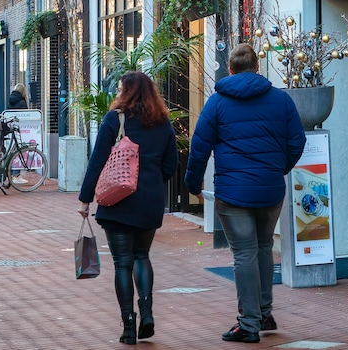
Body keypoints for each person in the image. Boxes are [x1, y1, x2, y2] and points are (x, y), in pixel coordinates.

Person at [185, 43, 307, 343]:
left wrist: (192, 185)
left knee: (244, 253)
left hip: (233, 193)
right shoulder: (281, 100)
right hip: (270, 189)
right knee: (264, 247)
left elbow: (199, 148)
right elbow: (297, 141)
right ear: (257, 67)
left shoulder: (217, 103)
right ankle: (264, 313)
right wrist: (278, 168)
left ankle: (249, 324)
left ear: (230, 69)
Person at [78, 72, 179, 345]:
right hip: (149, 202)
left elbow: (97, 161)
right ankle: (147, 312)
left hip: (118, 202)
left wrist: (85, 199)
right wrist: (152, 182)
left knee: (123, 263)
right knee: (142, 256)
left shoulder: (115, 119)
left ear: (126, 92)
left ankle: (128, 325)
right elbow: (171, 164)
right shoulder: (162, 122)